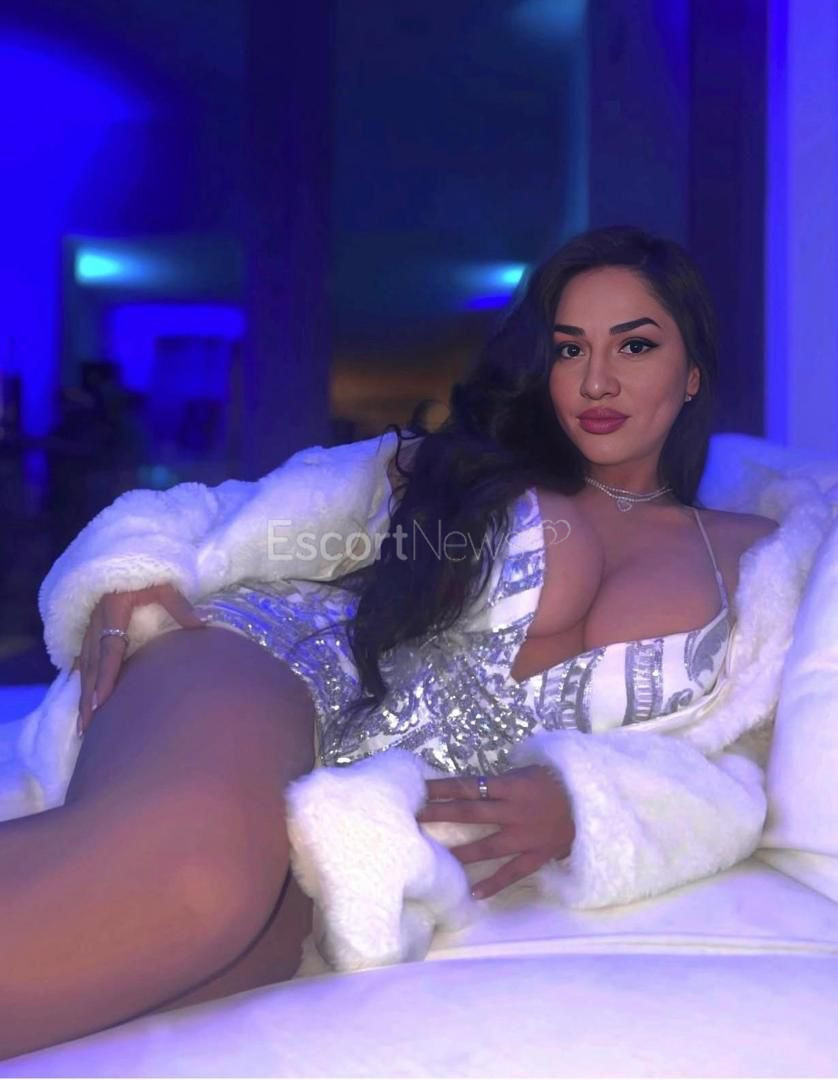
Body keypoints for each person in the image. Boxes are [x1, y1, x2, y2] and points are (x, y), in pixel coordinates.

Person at [0, 225, 781, 1059]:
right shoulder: (463, 470)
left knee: (231, 949)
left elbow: (737, 770)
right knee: (200, 876)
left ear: (692, 372)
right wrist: (135, 566)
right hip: (272, 664)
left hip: (368, 811)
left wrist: (582, 805)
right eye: (568, 349)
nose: (596, 380)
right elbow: (231, 510)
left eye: (635, 345)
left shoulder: (768, 557)